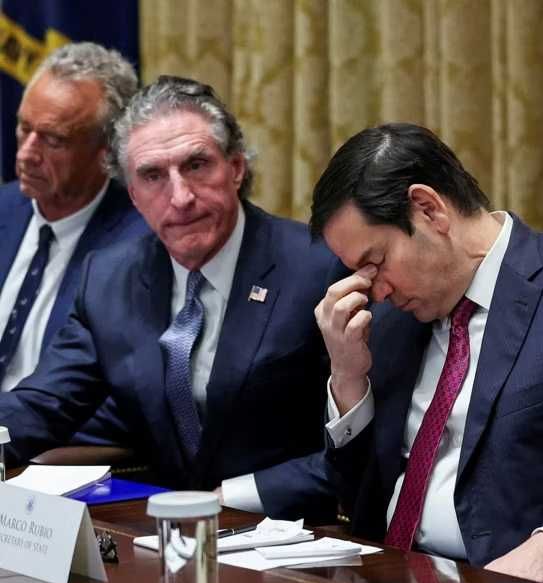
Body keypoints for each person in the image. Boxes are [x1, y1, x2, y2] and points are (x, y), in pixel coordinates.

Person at [311, 123, 543, 583]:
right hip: (385, 581)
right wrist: (348, 379)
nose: (376, 290)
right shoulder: (389, 323)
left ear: (428, 209)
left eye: (377, 262)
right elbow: (357, 500)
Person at [0, 75, 345, 518]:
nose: (180, 197)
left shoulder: (317, 267)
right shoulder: (109, 279)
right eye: (152, 176)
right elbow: (43, 405)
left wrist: (229, 497)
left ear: (236, 168)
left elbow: (358, 444)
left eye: (196, 165)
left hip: (297, 531)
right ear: (133, 194)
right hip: (163, 532)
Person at [0, 42, 147, 442]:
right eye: (24, 128)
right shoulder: (4, 208)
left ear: (107, 151)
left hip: (52, 455)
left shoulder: (142, 247)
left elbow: (123, 406)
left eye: (53, 140)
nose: (26, 154)